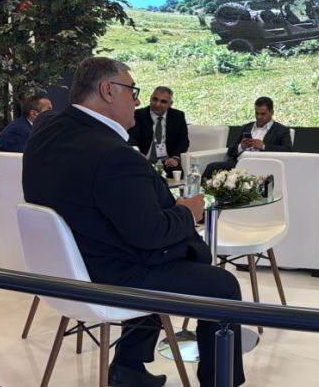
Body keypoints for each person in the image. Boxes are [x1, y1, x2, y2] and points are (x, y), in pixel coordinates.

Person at [22, 57, 245, 387]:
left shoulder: (46, 131)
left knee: (161, 258)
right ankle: (220, 383)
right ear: (108, 90)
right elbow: (151, 232)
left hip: (61, 272)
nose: (137, 102)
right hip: (108, 275)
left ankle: (129, 368)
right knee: (223, 286)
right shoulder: (113, 153)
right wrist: (187, 212)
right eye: (133, 91)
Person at [203, 96, 292, 178]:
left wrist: (263, 146)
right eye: (257, 113)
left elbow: (288, 150)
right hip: (239, 164)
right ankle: (199, 191)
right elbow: (231, 151)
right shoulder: (246, 127)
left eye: (263, 114)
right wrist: (241, 146)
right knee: (211, 167)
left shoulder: (281, 130)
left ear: (272, 113)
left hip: (263, 165)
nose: (259, 117)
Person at [0, 94, 53, 178]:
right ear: (34, 113)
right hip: (0, 182)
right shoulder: (18, 131)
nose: (52, 114)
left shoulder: (29, 127)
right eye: (49, 110)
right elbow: (29, 162)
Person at [128, 86, 190, 170]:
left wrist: (175, 158)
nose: (157, 104)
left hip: (168, 162)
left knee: (177, 172)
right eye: (155, 99)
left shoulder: (178, 116)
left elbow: (183, 141)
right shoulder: (139, 115)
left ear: (170, 104)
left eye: (163, 102)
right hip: (144, 161)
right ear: (150, 99)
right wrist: (137, 153)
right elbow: (131, 138)